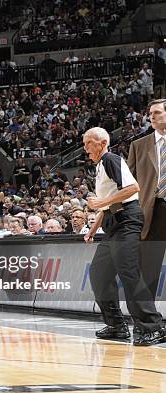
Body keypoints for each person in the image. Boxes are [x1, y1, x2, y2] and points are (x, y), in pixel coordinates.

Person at [83, 127, 165, 346]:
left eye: (88, 143)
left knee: (128, 272)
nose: (85, 148)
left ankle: (153, 326)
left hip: (127, 220)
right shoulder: (101, 166)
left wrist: (100, 203)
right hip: (113, 222)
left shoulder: (111, 159)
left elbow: (132, 188)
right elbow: (110, 202)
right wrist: (93, 229)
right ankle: (116, 326)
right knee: (99, 273)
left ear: (101, 142)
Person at [127, 99, 166, 299]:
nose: (151, 116)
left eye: (157, 112)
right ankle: (146, 321)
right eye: (150, 113)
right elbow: (127, 185)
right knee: (149, 269)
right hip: (153, 212)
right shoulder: (138, 146)